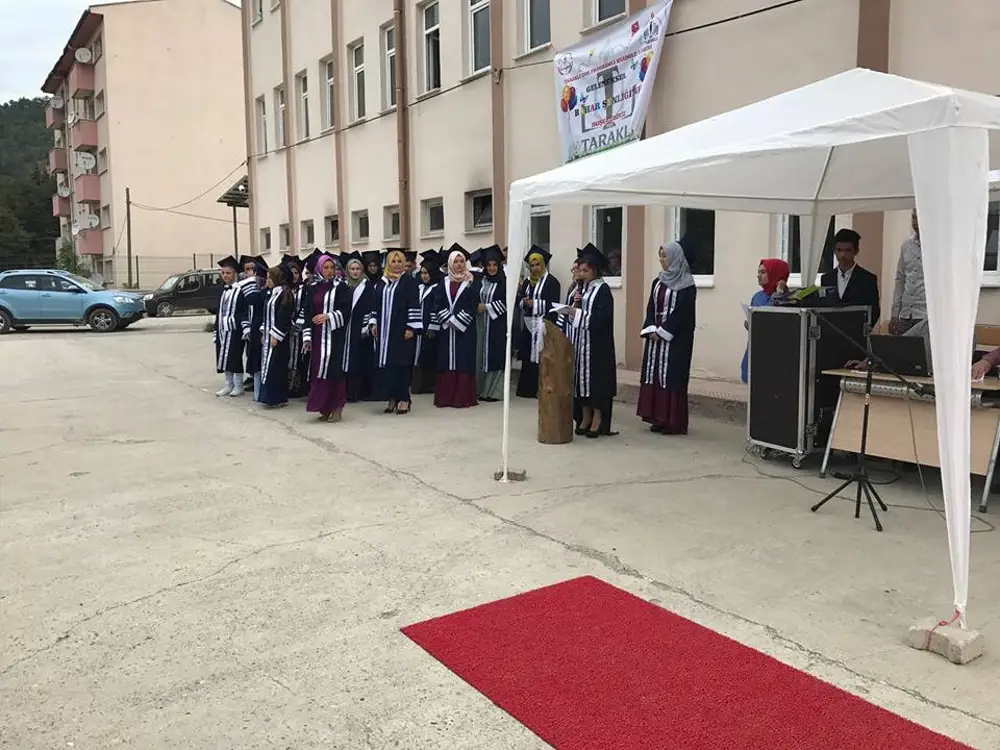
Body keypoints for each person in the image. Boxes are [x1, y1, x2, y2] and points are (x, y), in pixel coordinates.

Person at [637, 242, 698, 435]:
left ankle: (673, 422)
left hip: (676, 340)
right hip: (655, 338)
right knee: (654, 374)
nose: (662, 260)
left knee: (672, 375)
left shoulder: (687, 284)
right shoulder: (658, 281)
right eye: (660, 256)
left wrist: (664, 331)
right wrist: (650, 328)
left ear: (675, 258)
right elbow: (651, 307)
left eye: (665, 256)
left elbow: (684, 313)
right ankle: (657, 417)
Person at [560, 244, 617, 438]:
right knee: (581, 383)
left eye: (586, 271)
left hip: (597, 345)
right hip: (580, 343)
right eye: (581, 270)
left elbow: (602, 318)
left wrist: (578, 313)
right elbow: (574, 317)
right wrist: (572, 309)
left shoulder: (603, 290)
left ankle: (598, 419)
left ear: (595, 271)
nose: (582, 274)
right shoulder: (581, 290)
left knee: (597, 383)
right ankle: (584, 416)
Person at [301, 254, 352, 422]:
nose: (329, 271)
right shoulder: (313, 288)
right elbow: (308, 313)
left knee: (334, 370)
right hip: (317, 337)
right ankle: (324, 407)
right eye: (326, 268)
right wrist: (307, 338)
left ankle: (337, 407)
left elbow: (346, 310)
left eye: (332, 268)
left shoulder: (341, 287)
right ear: (319, 269)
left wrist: (328, 316)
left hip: (335, 336)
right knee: (318, 370)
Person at [370, 249, 422, 414]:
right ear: (388, 263)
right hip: (384, 331)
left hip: (401, 329)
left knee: (401, 364)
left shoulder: (408, 281)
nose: (397, 264)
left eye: (400, 261)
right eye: (394, 261)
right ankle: (392, 397)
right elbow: (375, 304)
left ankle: (404, 398)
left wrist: (411, 327)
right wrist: (373, 323)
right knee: (388, 366)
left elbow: (414, 304)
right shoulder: (382, 281)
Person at [433, 246, 480, 408]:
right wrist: (448, 319)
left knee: (463, 359)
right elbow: (437, 303)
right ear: (450, 264)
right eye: (456, 262)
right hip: (446, 330)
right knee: (446, 359)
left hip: (465, 330)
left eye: (461, 261)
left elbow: (472, 304)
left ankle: (462, 398)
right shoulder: (443, 283)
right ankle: (445, 398)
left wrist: (458, 321)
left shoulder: (471, 282)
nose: (459, 264)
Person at [516, 246, 561, 398]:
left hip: (544, 323)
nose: (535, 268)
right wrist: (524, 302)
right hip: (529, 324)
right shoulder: (527, 282)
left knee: (543, 356)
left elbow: (554, 304)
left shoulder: (552, 282)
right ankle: (527, 389)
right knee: (528, 357)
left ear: (543, 265)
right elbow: (520, 300)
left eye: (537, 265)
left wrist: (534, 303)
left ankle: (542, 388)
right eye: (532, 265)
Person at [740, 258, 790, 384]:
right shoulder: (757, 296)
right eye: (758, 272)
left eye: (763, 272)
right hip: (757, 348)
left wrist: (779, 292)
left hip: (773, 354)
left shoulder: (785, 298)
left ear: (775, 274)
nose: (758, 276)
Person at [820, 228, 881, 325]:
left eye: (847, 250)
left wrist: (862, 329)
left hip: (857, 331)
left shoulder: (868, 279)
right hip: (831, 330)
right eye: (839, 250)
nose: (842, 255)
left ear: (856, 251)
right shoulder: (826, 278)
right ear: (834, 251)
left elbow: (874, 310)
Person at [340, 251, 377, 404]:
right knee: (345, 359)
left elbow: (372, 306)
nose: (355, 272)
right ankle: (345, 392)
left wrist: (365, 327)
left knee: (359, 360)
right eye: (352, 269)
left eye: (358, 269)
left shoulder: (367, 286)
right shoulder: (343, 285)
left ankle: (359, 392)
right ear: (347, 270)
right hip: (345, 328)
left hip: (361, 328)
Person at [258, 265, 296, 408]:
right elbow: (267, 314)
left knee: (275, 367)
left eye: (270, 278)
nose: (267, 281)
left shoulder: (284, 294)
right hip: (269, 336)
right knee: (269, 366)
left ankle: (276, 398)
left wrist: (275, 335)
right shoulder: (272, 293)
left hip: (278, 337)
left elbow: (284, 317)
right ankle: (271, 398)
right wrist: (264, 331)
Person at [213, 256, 249, 397]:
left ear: (235, 274)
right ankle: (228, 384)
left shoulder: (241, 290)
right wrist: (216, 328)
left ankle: (238, 385)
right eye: (223, 273)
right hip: (222, 329)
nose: (225, 276)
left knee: (234, 356)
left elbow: (245, 310)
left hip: (235, 329)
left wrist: (236, 322)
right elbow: (218, 311)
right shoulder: (222, 291)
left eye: (228, 273)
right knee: (223, 356)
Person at [476, 245, 507, 402]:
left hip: (497, 324)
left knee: (495, 355)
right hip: (482, 323)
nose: (492, 268)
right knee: (481, 354)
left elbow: (507, 303)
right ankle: (481, 390)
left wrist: (487, 307)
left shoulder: (504, 282)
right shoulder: (481, 280)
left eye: (495, 265)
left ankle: (494, 392)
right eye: (489, 265)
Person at [890, 210, 925, 335]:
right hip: (906, 314)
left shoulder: (939, 247)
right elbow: (900, 279)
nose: (915, 223)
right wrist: (895, 313)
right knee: (901, 346)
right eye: (913, 218)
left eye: (919, 218)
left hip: (925, 316)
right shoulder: (906, 245)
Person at [413, 249, 442, 394]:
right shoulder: (418, 287)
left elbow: (438, 306)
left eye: (427, 273)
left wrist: (433, 325)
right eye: (422, 273)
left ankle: (430, 384)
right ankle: (419, 384)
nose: (424, 276)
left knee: (430, 355)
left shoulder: (438, 288)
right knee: (418, 354)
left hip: (430, 327)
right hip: (419, 326)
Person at [240, 255, 269, 400]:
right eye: (248, 270)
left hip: (263, 332)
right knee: (255, 363)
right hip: (252, 331)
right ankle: (257, 392)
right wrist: (246, 328)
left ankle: (261, 393)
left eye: (254, 270)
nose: (250, 273)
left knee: (262, 363)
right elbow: (243, 311)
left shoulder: (265, 293)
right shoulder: (251, 292)